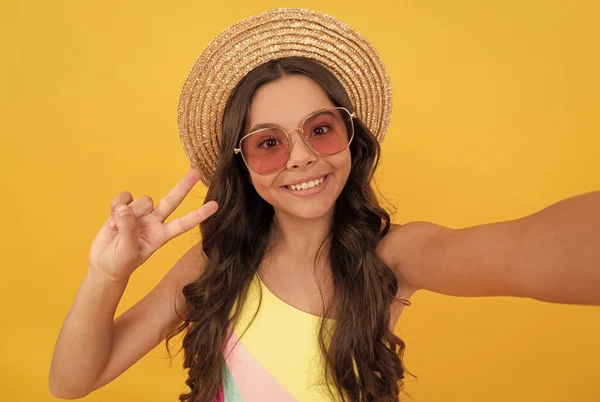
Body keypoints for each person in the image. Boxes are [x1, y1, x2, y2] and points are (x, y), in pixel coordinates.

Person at [48, 8, 600, 402]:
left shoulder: (393, 256)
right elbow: (71, 383)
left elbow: (522, 251)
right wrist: (106, 273)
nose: (302, 158)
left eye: (320, 129)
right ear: (241, 162)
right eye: (269, 142)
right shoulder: (212, 264)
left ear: (350, 139)